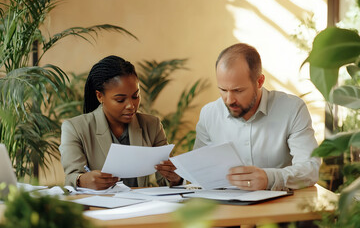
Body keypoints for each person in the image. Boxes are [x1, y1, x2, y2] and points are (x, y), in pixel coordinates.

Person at [194, 43, 321, 191]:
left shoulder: (292, 109)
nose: (229, 100)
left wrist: (269, 179)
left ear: (259, 81)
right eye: (223, 90)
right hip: (225, 209)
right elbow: (198, 170)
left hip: (282, 209)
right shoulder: (209, 114)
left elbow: (310, 169)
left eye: (238, 90)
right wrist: (179, 177)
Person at [59, 55, 181, 190]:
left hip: (142, 206)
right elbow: (71, 176)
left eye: (135, 96)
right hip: (100, 206)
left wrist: (176, 177)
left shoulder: (152, 125)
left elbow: (166, 180)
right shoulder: (74, 128)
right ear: (100, 96)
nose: (131, 105)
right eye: (120, 100)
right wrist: (81, 180)